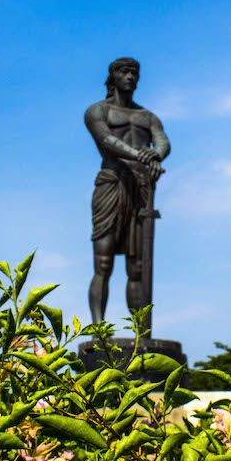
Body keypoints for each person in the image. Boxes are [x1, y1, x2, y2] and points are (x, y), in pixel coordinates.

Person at [84, 57, 170, 328]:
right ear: (113, 77)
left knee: (137, 268)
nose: (130, 77)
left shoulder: (148, 116)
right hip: (111, 184)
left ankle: (139, 333)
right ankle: (99, 329)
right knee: (104, 261)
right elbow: (106, 140)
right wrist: (142, 157)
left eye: (134, 72)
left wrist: (155, 154)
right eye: (124, 72)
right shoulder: (98, 111)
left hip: (141, 190)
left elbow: (162, 142)